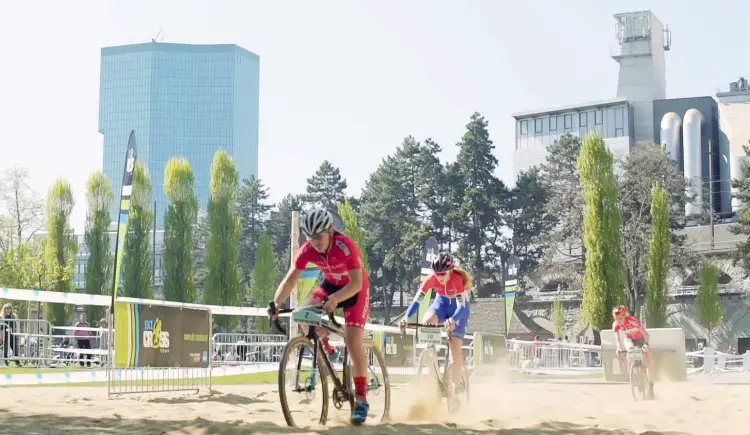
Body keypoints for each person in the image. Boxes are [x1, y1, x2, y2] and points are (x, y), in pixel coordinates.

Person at [269, 208, 371, 425]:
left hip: (354, 289)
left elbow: (356, 283)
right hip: (331, 284)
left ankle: (361, 399)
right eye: (310, 237)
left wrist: (336, 298)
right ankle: (328, 351)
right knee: (304, 315)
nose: (314, 242)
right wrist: (276, 304)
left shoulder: (346, 246)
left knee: (353, 341)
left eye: (318, 236)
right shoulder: (307, 250)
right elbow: (290, 280)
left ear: (330, 231)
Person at [400, 252, 472, 390]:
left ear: (450, 271)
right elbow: (417, 301)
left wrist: (453, 320)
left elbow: (461, 306)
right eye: (437, 273)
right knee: (427, 319)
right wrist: (406, 317)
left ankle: (457, 387)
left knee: (454, 352)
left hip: (458, 310)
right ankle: (431, 356)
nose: (439, 277)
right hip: (441, 305)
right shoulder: (430, 279)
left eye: (443, 274)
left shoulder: (457, 280)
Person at [612, 305, 654, 396]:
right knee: (629, 351)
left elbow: (646, 334)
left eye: (620, 318)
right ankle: (632, 372)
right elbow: (618, 340)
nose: (618, 321)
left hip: (641, 339)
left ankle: (650, 383)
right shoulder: (615, 325)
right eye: (616, 318)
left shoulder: (633, 321)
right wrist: (619, 348)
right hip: (629, 339)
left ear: (625, 316)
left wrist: (646, 344)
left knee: (649, 361)